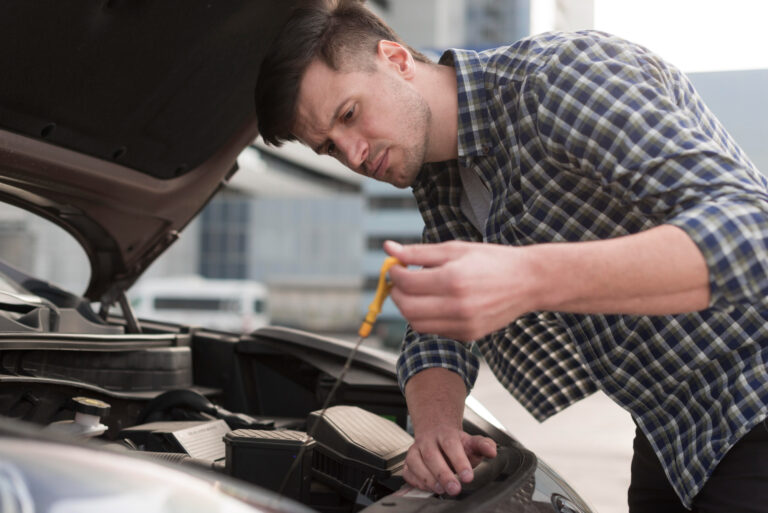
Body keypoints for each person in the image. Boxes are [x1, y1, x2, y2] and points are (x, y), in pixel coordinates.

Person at [254, 1, 768, 511]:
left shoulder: (560, 80)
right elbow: (438, 328)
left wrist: (528, 277)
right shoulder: (440, 172)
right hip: (670, 433)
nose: (353, 154)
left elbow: (752, 231)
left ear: (396, 59)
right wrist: (436, 429)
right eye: (329, 147)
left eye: (349, 114)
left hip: (752, 397)